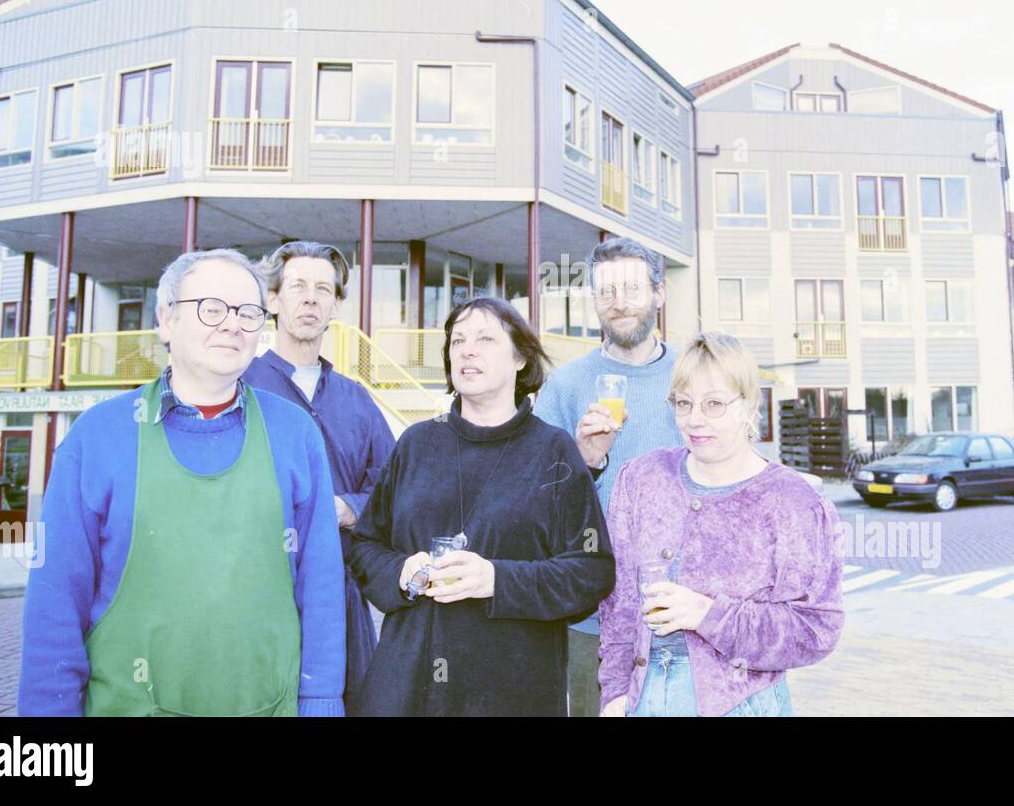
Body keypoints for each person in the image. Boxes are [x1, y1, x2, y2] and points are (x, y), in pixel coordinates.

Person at [18, 248, 346, 716]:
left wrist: (321, 701)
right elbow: (54, 607)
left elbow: (321, 589)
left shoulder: (296, 434)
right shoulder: (98, 437)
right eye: (212, 308)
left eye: (249, 313)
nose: (232, 324)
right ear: (166, 320)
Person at [349, 296, 615, 716]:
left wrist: (496, 579)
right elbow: (365, 546)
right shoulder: (417, 443)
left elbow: (591, 572)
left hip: (512, 687)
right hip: (408, 684)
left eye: (485, 339)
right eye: (457, 340)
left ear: (521, 359)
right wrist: (401, 573)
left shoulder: (553, 451)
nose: (467, 350)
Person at [598, 332, 845, 717]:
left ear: (749, 406)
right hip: (640, 697)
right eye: (683, 403)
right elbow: (619, 601)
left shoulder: (794, 503)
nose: (695, 419)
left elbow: (816, 629)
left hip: (743, 703)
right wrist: (614, 691)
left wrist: (709, 615)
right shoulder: (642, 478)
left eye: (714, 404)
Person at [533, 236, 683, 716]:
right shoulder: (565, 386)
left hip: (689, 604)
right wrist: (586, 460)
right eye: (606, 291)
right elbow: (535, 500)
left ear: (659, 295)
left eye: (632, 289)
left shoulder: (693, 376)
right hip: (593, 614)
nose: (619, 303)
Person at [242, 240, 395, 711]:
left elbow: (396, 486)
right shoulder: (240, 386)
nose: (310, 298)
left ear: (336, 305)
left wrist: (350, 508)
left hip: (341, 603)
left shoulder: (356, 399)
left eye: (323, 289)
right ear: (272, 300)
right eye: (298, 286)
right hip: (255, 594)